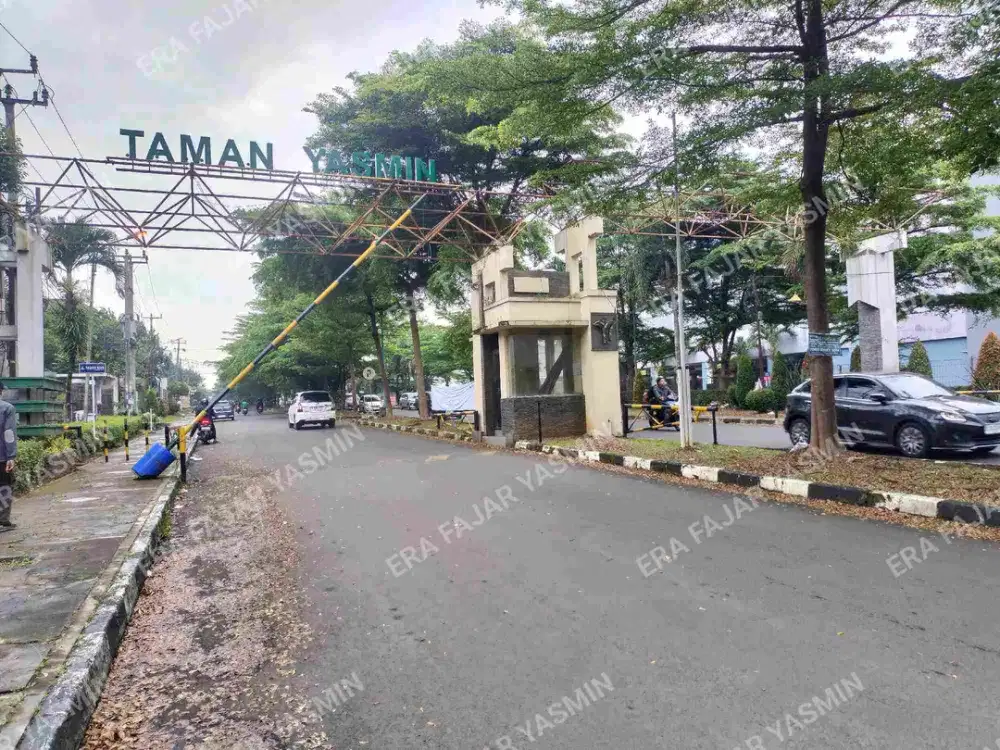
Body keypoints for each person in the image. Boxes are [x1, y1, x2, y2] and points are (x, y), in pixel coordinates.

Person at [0, 383, 17, 532]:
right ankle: (3, 521)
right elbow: (8, 433)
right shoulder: (6, 408)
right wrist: (11, 456)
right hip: (2, 457)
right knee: (5, 487)